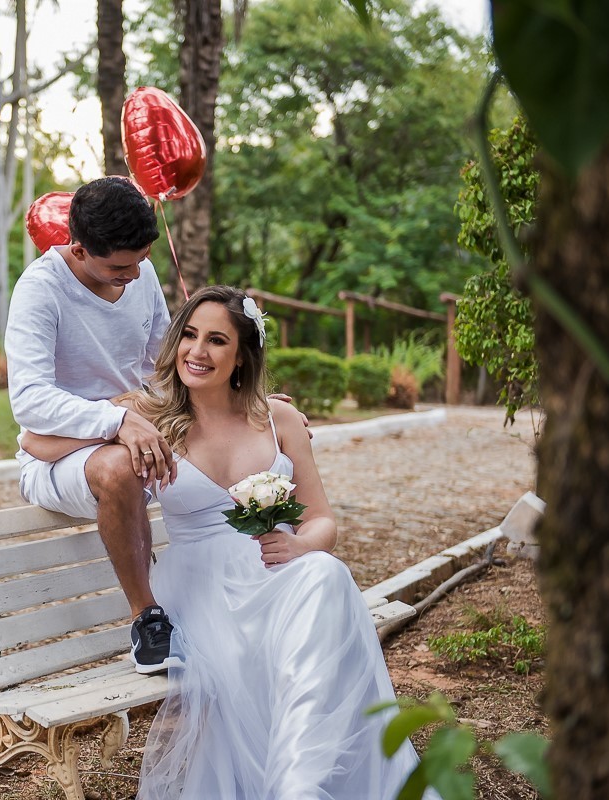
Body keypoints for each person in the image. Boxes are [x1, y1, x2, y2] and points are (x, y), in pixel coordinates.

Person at [23, 285, 434, 799]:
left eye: (217, 340)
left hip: (277, 572)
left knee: (326, 574)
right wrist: (121, 427)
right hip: (201, 586)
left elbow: (322, 520)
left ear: (242, 356)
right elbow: (34, 439)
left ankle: (301, 784)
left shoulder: (278, 419)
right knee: (309, 611)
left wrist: (303, 546)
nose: (197, 351)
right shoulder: (148, 413)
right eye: (189, 336)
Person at [4, 176, 181, 674]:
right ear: (78, 249)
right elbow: (30, 400)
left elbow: (164, 365)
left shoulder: (139, 273)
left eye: (142, 260)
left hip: (135, 424)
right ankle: (148, 619)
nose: (134, 275)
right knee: (121, 467)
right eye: (119, 268)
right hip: (64, 460)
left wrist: (244, 402)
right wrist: (116, 418)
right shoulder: (40, 290)